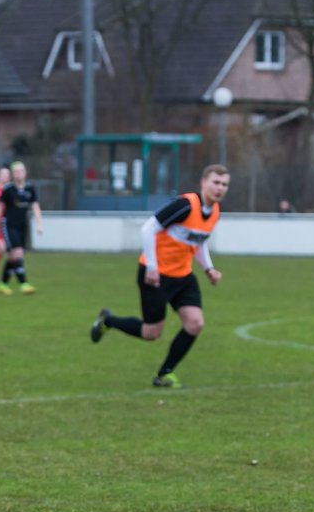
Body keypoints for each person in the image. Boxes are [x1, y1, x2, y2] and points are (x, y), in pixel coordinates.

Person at [89, 163, 230, 389]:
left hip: (183, 276)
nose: (220, 188)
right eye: (216, 182)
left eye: (224, 184)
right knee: (151, 332)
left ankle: (164, 374)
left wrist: (208, 269)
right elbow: (148, 229)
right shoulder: (185, 205)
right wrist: (152, 267)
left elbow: (199, 241)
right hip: (155, 275)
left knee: (195, 324)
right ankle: (109, 321)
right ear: (204, 183)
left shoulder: (214, 212)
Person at [0, 160, 44, 295]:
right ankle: (24, 284)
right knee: (17, 253)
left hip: (22, 226)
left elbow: (35, 206)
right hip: (8, 225)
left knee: (12, 258)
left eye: (21, 171)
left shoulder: (30, 189)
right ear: (13, 175)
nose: (19, 174)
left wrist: (39, 223)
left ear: (25, 173)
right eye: (16, 172)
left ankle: (2, 284)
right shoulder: (8, 189)